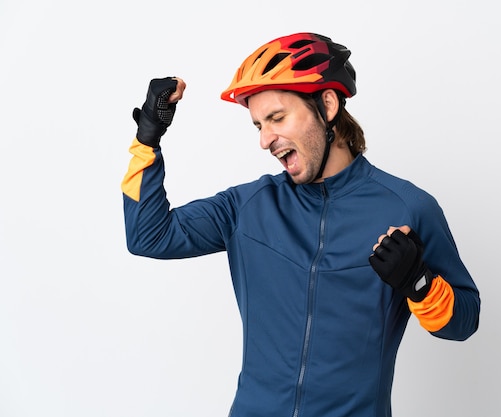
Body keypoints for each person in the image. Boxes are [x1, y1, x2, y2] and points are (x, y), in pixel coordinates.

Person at [122, 32, 480, 417]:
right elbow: (148, 236)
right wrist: (148, 139)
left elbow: (464, 321)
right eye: (258, 125)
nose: (265, 140)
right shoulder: (247, 207)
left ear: (326, 105)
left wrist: (419, 283)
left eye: (276, 117)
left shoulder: (409, 208)